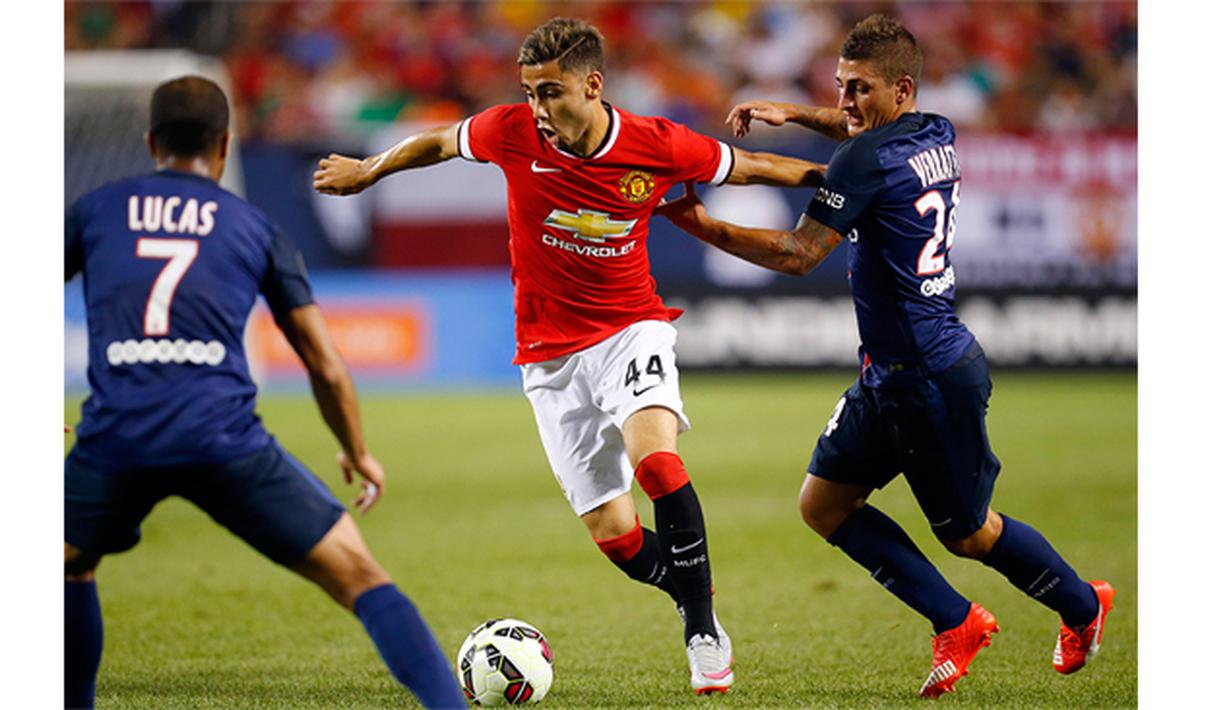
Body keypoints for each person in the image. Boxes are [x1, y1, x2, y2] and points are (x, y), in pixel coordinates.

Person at [314, 17, 825, 696]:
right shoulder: (509, 132)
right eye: (529, 93)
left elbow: (756, 166)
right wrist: (369, 171)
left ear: (592, 84)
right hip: (547, 355)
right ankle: (686, 584)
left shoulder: (657, 144)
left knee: (659, 462)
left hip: (629, 329)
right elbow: (439, 140)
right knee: (615, 535)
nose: (538, 109)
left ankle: (701, 628)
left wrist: (847, 181)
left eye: (551, 93)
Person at [657, 14, 1115, 698]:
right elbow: (857, 130)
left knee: (968, 534)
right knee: (823, 506)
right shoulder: (936, 130)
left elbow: (797, 254)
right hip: (890, 375)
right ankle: (955, 620)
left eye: (858, 90)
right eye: (839, 88)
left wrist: (704, 227)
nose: (844, 103)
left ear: (899, 89)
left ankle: (1083, 605)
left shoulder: (864, 159)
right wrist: (795, 112)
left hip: (929, 378)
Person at [64, 76, 465, 710]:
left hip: (116, 438)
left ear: (149, 143)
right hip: (224, 441)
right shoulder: (254, 226)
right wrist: (356, 449)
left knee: (68, 564)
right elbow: (324, 363)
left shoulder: (95, 209)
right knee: (362, 577)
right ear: (225, 147)